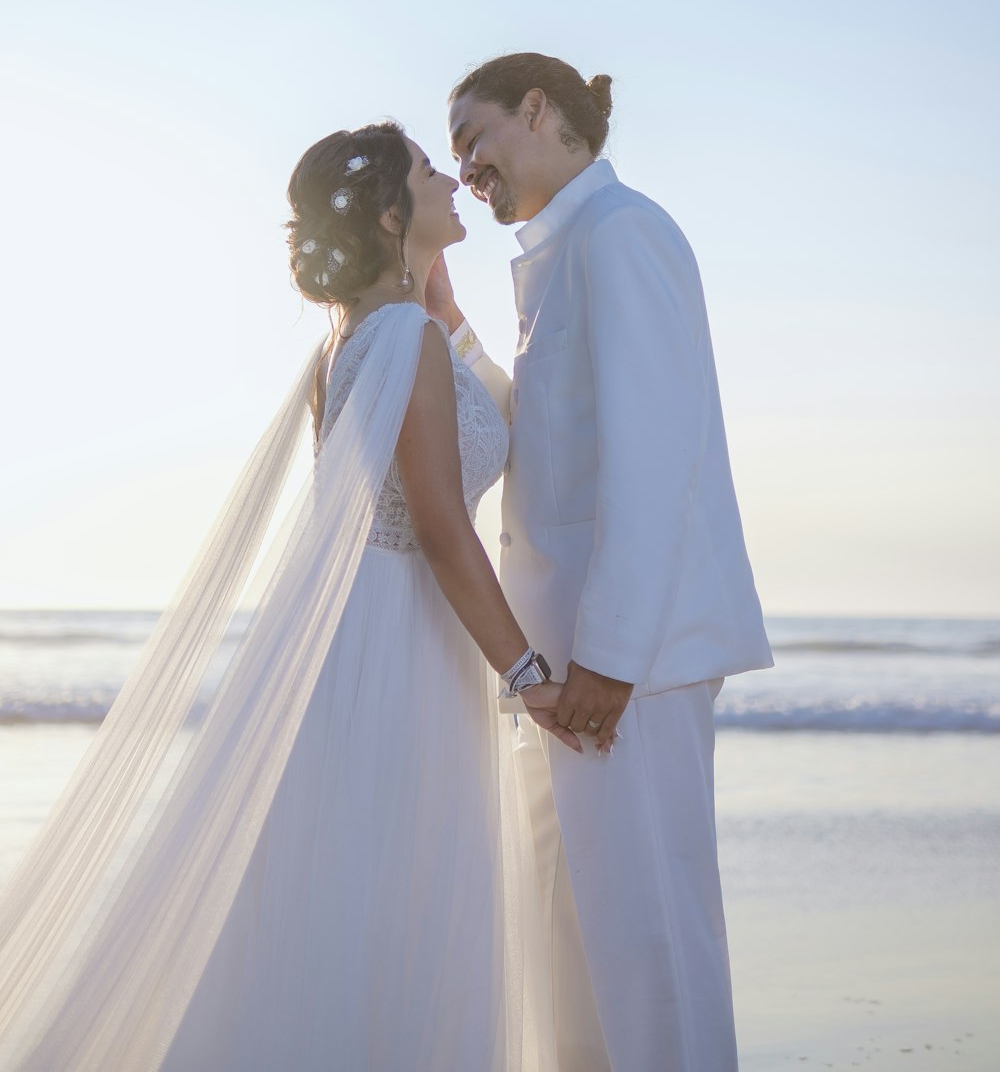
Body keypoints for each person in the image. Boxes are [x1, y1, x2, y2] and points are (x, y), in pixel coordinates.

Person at [0, 120, 576, 1072]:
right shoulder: (404, 342)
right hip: (405, 647)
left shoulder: (357, 338)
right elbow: (438, 526)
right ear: (394, 213)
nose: (449, 181)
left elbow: (491, 422)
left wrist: (446, 306)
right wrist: (527, 672)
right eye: (430, 173)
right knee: (397, 892)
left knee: (343, 886)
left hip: (366, 637)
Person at [435, 53, 775, 1072]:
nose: (465, 173)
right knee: (575, 936)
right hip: (570, 665)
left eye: (473, 139)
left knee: (646, 940)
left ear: (538, 109)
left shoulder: (621, 236)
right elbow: (548, 439)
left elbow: (653, 459)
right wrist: (452, 327)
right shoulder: (568, 247)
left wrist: (610, 658)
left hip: (629, 663)